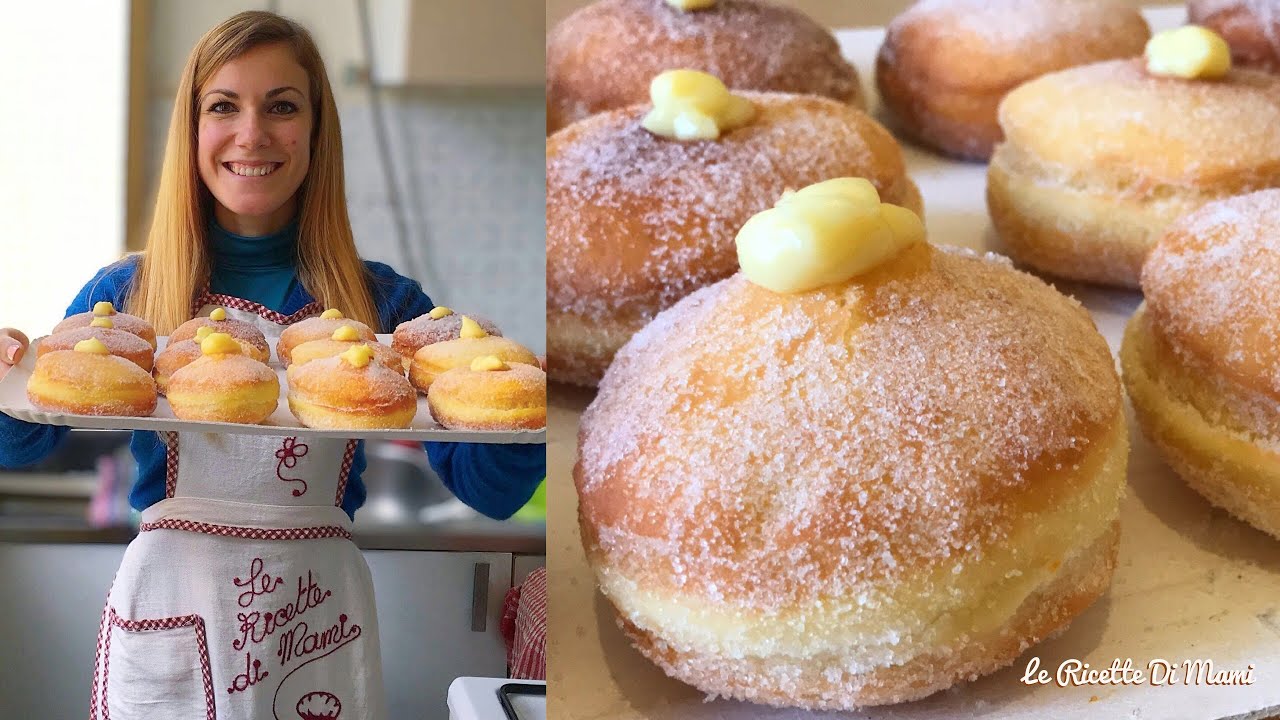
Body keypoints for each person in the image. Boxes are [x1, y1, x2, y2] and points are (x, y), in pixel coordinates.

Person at [0, 11, 544, 719]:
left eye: (281, 107)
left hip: (314, 621)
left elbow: (491, 491)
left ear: (316, 132)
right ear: (191, 131)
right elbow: (23, 440)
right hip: (171, 608)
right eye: (223, 106)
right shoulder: (125, 297)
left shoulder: (383, 304)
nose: (252, 134)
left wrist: (530, 405)